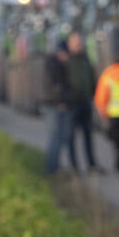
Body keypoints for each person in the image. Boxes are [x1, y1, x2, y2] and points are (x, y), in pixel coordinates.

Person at [65, 32, 104, 174]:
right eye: (75, 43)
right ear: (69, 44)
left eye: (79, 42)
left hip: (86, 102)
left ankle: (91, 164)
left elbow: (92, 78)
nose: (78, 45)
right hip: (72, 104)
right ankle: (74, 166)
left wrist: (93, 94)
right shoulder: (66, 61)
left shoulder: (86, 60)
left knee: (88, 136)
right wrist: (66, 98)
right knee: (71, 136)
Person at [41, 40, 73, 175]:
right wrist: (61, 101)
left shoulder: (54, 63)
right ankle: (52, 168)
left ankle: (55, 166)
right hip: (53, 105)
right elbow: (55, 86)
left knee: (59, 136)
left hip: (53, 104)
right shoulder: (53, 65)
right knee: (55, 136)